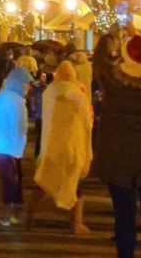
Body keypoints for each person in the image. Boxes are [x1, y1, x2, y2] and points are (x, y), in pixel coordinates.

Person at [94, 34, 141, 258]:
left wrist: (113, 37)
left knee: (123, 217)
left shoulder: (112, 80)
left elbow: (100, 61)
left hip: (119, 157)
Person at [28, 60, 93, 235]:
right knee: (75, 183)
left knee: (44, 180)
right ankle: (75, 223)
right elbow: (88, 122)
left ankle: (29, 215)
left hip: (52, 144)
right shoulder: (78, 95)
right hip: (73, 143)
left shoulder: (49, 92)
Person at [0, 66, 31, 227]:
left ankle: (14, 211)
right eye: (26, 84)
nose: (28, 88)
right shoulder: (16, 101)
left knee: (11, 178)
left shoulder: (1, 96)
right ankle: (9, 213)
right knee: (11, 180)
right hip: (9, 146)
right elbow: (21, 126)